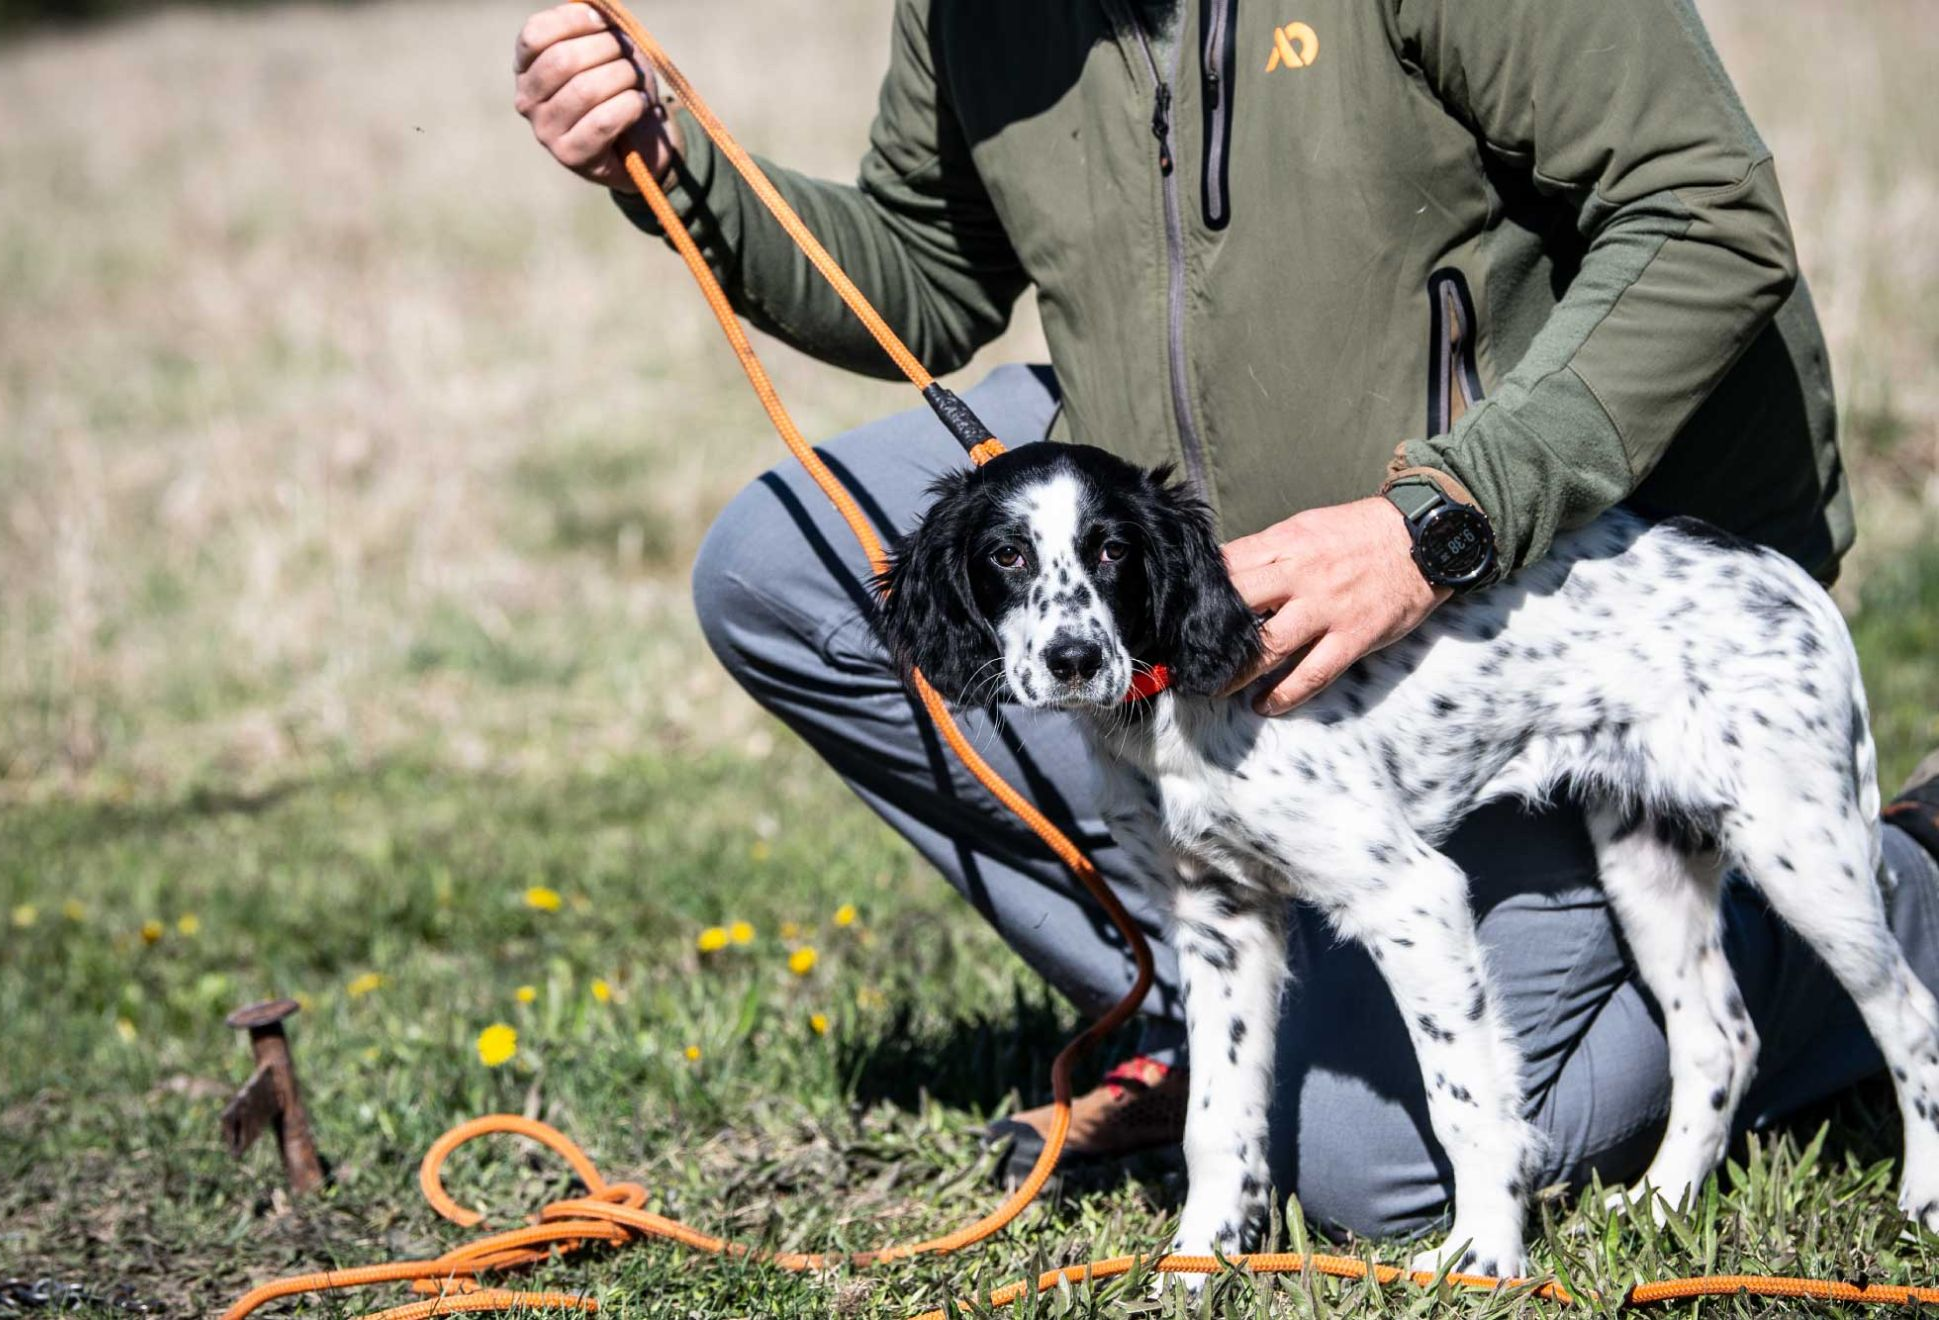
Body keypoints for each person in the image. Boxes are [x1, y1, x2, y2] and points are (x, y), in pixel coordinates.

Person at [512, 0, 1939, 1240]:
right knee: (782, 566)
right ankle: (1213, 986)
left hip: (1562, 576)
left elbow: (1705, 217)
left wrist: (1440, 521)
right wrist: (668, 158)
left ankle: (1897, 893)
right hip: (1174, 555)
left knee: (1379, 1178)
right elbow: (922, 270)